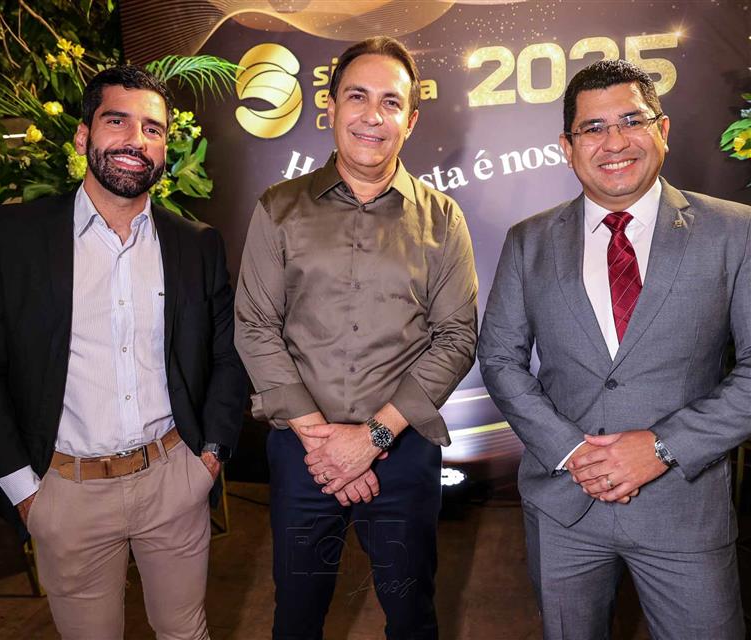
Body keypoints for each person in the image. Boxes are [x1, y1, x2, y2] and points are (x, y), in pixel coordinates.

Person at [0, 65, 246, 640]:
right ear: (84, 135)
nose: (137, 139)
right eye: (118, 122)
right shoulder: (13, 239)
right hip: (66, 490)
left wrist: (208, 458)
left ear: (164, 148)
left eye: (153, 129)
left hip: (174, 478)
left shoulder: (196, 244)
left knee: (187, 632)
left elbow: (228, 357)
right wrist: (24, 492)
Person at [479, 58, 750, 639]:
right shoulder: (528, 241)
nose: (615, 142)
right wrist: (570, 450)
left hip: (684, 510)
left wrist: (663, 447)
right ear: (567, 147)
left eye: (632, 120)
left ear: (663, 129)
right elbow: (499, 359)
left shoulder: (736, 231)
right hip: (564, 507)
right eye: (593, 128)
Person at [234, 36, 478, 640]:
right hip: (303, 454)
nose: (372, 115)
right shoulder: (278, 208)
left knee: (412, 616)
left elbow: (455, 337)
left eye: (390, 102)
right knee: (296, 616)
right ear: (331, 107)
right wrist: (325, 444)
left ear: (410, 120)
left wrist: (371, 439)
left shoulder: (443, 219)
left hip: (403, 453)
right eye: (357, 97)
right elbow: (255, 326)